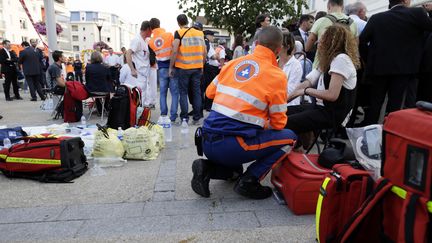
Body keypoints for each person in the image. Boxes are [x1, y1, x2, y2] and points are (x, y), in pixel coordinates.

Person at [191, 26, 297, 200]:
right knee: (289, 137)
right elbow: (279, 124)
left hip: (207, 141)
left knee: (235, 170)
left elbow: (209, 93)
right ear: (278, 50)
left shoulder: (232, 63)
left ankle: (206, 168)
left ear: (255, 43)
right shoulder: (276, 75)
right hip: (233, 146)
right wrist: (261, 122)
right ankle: (249, 181)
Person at [285, 24, 360, 145]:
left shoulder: (341, 59)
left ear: (331, 41)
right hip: (321, 108)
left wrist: (306, 91)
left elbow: (332, 95)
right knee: (282, 113)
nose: (318, 41)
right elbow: (307, 82)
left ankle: (294, 148)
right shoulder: (329, 59)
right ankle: (301, 143)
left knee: (285, 122)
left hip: (332, 114)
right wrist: (284, 101)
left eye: (323, 38)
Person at [361, 1, 432, 125]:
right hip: (404, 69)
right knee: (395, 105)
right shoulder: (417, 14)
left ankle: (370, 134)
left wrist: (369, 59)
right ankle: (390, 134)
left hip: (379, 69)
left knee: (375, 104)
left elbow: (362, 41)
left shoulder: (377, 18)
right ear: (405, 1)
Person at [169, 14, 206, 125]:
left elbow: (175, 50)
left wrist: (171, 67)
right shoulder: (200, 33)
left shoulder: (179, 32)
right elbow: (204, 52)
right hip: (197, 67)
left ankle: (184, 118)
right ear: (187, 21)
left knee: (183, 93)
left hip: (184, 68)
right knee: (197, 93)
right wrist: (202, 66)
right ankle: (196, 118)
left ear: (178, 23)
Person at [305, 0, 357, 68]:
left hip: (321, 67)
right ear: (343, 7)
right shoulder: (352, 23)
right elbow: (355, 47)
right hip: (344, 67)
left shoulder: (321, 21)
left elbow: (307, 48)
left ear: (328, 6)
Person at [148, 17, 179, 123]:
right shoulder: (169, 35)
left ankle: (163, 114)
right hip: (172, 66)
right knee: (174, 93)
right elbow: (175, 50)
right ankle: (173, 116)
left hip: (161, 69)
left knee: (162, 93)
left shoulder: (151, 41)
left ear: (151, 28)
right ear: (159, 24)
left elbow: (152, 57)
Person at [126, 21, 153, 101]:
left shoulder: (144, 40)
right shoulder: (137, 40)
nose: (152, 32)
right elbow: (128, 53)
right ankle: (138, 113)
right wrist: (132, 70)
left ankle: (141, 112)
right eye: (151, 30)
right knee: (140, 99)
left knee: (143, 98)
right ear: (148, 29)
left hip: (144, 74)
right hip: (140, 74)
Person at [279, 32, 303, 106]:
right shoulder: (273, 63)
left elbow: (290, 91)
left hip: (289, 106)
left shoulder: (296, 65)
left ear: (288, 47)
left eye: (279, 44)